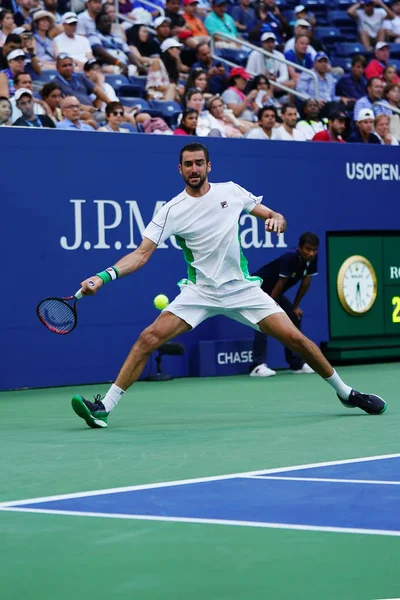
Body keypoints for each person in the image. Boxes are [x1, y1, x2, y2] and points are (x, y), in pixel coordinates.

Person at [70, 142, 387, 428]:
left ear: (209, 166)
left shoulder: (231, 192)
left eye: (199, 163)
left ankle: (347, 393)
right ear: (180, 170)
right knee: (147, 338)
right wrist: (104, 276)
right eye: (188, 164)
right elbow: (140, 256)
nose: (194, 169)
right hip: (200, 292)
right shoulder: (171, 211)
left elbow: (274, 214)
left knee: (297, 339)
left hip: (242, 290)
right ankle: (104, 407)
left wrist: (276, 219)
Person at [249, 232, 319, 377]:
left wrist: (294, 307)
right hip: (258, 289)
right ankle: (257, 366)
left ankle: (296, 363)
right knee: (264, 320)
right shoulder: (291, 257)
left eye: (314, 250)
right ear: (300, 247)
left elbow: (305, 284)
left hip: (273, 292)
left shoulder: (311, 259)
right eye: (307, 249)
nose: (311, 253)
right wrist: (270, 305)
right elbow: (280, 283)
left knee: (294, 317)